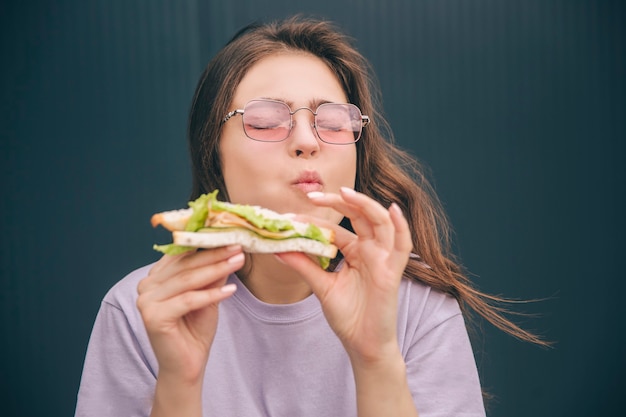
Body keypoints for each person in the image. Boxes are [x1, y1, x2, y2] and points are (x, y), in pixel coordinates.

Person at [75, 16, 545, 417]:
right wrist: (179, 381)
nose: (307, 140)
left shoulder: (418, 311)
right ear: (213, 152)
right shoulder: (145, 311)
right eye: (264, 119)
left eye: (334, 121)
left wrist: (375, 357)